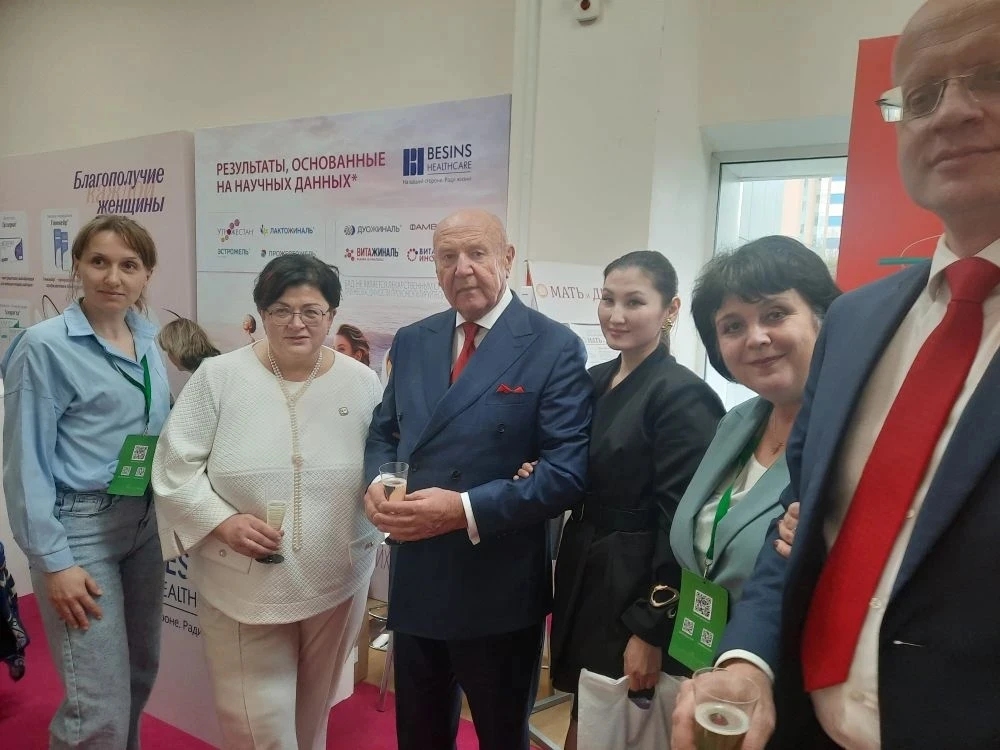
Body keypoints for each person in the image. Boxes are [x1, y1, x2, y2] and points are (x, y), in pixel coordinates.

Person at [671, 1, 1000, 748]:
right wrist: (748, 661)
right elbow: (801, 535)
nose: (952, 112)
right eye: (923, 95)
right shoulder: (860, 322)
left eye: (991, 76)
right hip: (800, 723)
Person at [363, 208, 592, 750]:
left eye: (477, 253)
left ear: (506, 258)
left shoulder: (552, 345)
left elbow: (565, 473)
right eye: (448, 257)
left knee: (500, 736)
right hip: (418, 575)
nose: (462, 268)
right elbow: (384, 432)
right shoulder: (414, 339)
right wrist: (376, 482)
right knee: (418, 734)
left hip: (498, 585)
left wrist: (463, 509)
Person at [152, 254, 384, 750]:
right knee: (260, 730)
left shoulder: (362, 382)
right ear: (261, 313)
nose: (296, 323)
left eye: (311, 311)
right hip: (244, 581)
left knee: (313, 716)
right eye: (281, 310)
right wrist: (221, 521)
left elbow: (384, 460)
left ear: (331, 315)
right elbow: (174, 468)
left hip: (338, 576)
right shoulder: (218, 377)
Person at [1, 214, 171, 749]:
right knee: (97, 704)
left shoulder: (146, 337)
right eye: (99, 261)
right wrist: (54, 561)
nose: (113, 278)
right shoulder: (44, 346)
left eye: (129, 265)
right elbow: (24, 463)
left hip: (143, 523)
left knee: (139, 675)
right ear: (77, 265)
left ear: (147, 274)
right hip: (80, 531)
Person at [546, 250, 725, 750]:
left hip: (636, 579)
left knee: (617, 720)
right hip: (587, 562)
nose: (616, 315)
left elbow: (684, 522)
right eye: (608, 300)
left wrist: (650, 628)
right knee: (590, 708)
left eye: (634, 302)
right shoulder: (595, 380)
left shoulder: (682, 396)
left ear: (670, 309)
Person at [670, 237, 839, 600]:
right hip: (704, 631)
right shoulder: (736, 422)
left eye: (775, 314)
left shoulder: (855, 434)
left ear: (823, 318)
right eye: (732, 326)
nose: (756, 338)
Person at [156, 317, 221, 372]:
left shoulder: (206, 375)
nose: (169, 356)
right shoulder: (213, 366)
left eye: (169, 351)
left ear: (177, 350)